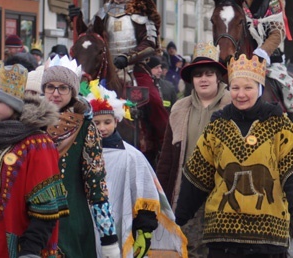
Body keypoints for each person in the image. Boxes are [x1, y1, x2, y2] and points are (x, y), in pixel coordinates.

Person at [175, 54, 293, 257]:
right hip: (222, 233)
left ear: (259, 89)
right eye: (235, 88)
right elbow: (199, 170)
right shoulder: (217, 126)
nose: (241, 94)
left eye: (248, 88)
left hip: (267, 233)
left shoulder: (279, 125)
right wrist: (182, 213)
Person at [69, 0, 168, 164]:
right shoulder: (103, 12)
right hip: (105, 71)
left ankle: (164, 148)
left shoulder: (142, 11)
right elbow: (89, 37)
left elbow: (150, 43)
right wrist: (76, 19)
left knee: (155, 102)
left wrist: (128, 57)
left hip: (134, 70)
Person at [84, 81, 187, 257]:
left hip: (122, 226)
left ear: (116, 121)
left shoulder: (131, 156)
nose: (102, 128)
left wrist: (145, 231)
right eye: (96, 122)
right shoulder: (82, 155)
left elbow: (145, 192)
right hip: (86, 228)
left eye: (107, 122)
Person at [0, 62, 69, 257]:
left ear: (14, 103)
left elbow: (46, 207)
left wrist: (30, 251)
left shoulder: (37, 143)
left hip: (16, 248)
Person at [157, 41, 231, 258]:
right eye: (199, 75)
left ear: (218, 77)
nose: (204, 79)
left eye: (209, 73)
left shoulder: (233, 105)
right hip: (188, 194)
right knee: (190, 249)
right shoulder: (180, 109)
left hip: (225, 194)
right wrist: (161, 196)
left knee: (221, 249)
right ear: (192, 79)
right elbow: (167, 159)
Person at [42, 55, 122, 258]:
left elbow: (96, 184)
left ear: (73, 91)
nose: (56, 93)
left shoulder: (86, 127)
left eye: (63, 87)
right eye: (50, 87)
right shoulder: (30, 124)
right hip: (33, 222)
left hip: (73, 221)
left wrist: (108, 238)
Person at [232, 0, 293, 117]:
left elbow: (277, 32)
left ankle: (292, 128)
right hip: (237, 57)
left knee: (286, 86)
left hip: (266, 56)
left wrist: (263, 52)